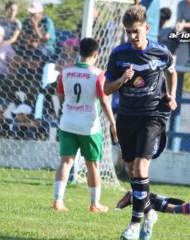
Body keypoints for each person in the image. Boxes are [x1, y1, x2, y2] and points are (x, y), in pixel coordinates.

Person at [103, 5, 178, 240]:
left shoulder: (160, 51)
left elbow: (172, 71)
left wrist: (171, 95)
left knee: (141, 168)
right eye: (128, 32)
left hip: (154, 115)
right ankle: (149, 212)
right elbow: (106, 89)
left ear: (146, 28)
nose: (133, 36)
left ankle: (134, 225)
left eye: (136, 31)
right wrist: (121, 80)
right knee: (132, 171)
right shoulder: (119, 54)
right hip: (127, 116)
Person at [53, 38, 117, 214]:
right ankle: (95, 204)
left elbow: (60, 94)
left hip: (67, 122)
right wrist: (113, 123)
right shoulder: (98, 74)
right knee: (93, 166)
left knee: (65, 162)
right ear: (96, 54)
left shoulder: (65, 72)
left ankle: (58, 201)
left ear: (79, 52)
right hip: (89, 126)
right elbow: (104, 100)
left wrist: (68, 108)